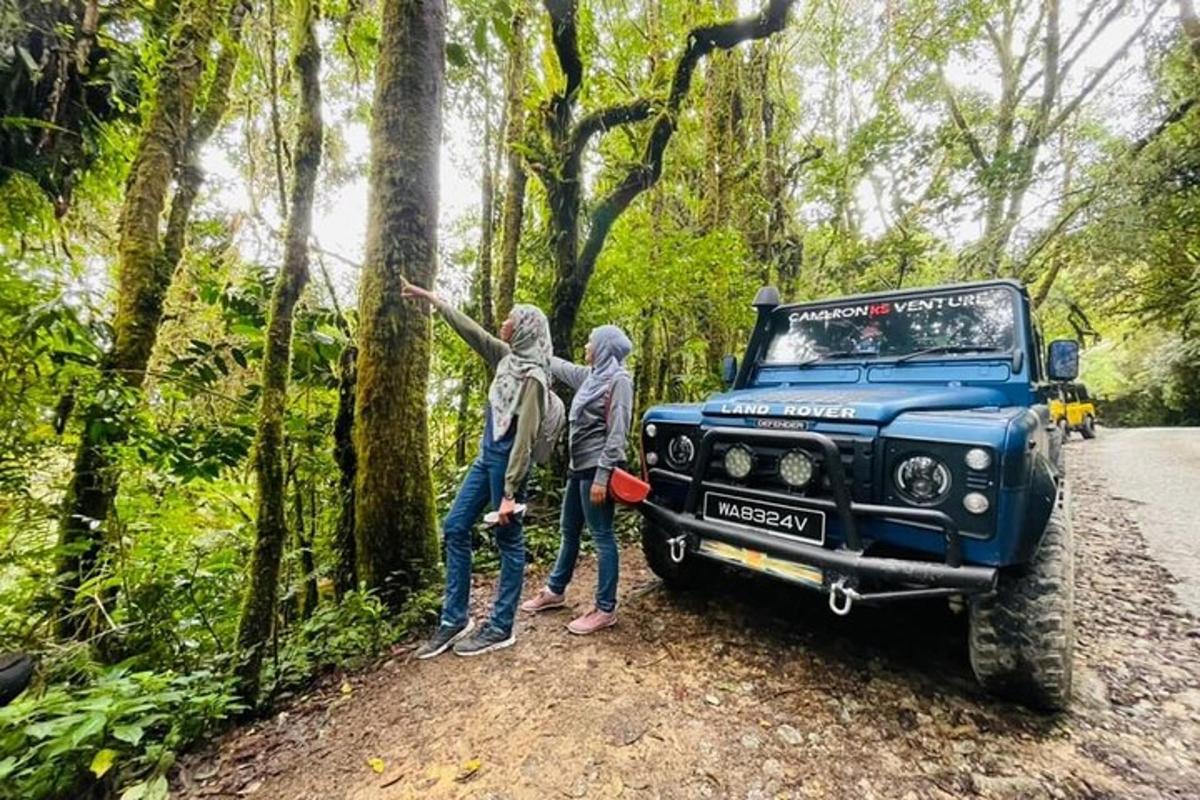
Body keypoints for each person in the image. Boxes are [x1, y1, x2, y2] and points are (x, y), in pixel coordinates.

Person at [402, 282, 552, 658]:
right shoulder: (507, 358)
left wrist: (510, 493)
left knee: (509, 542)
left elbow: (526, 438)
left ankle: (501, 627)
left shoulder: (533, 377)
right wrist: (434, 300)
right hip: (486, 456)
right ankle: (454, 619)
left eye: (511, 319)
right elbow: (474, 333)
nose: (504, 322)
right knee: (454, 527)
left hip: (507, 466)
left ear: (525, 328)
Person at [520, 325, 633, 634]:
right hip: (577, 467)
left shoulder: (619, 380)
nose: (586, 345)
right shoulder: (590, 377)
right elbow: (561, 366)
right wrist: (535, 351)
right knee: (569, 530)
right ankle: (555, 591)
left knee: (601, 536)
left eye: (591, 341)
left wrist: (602, 476)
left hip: (597, 469)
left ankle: (605, 608)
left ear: (604, 347)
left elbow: (618, 431)